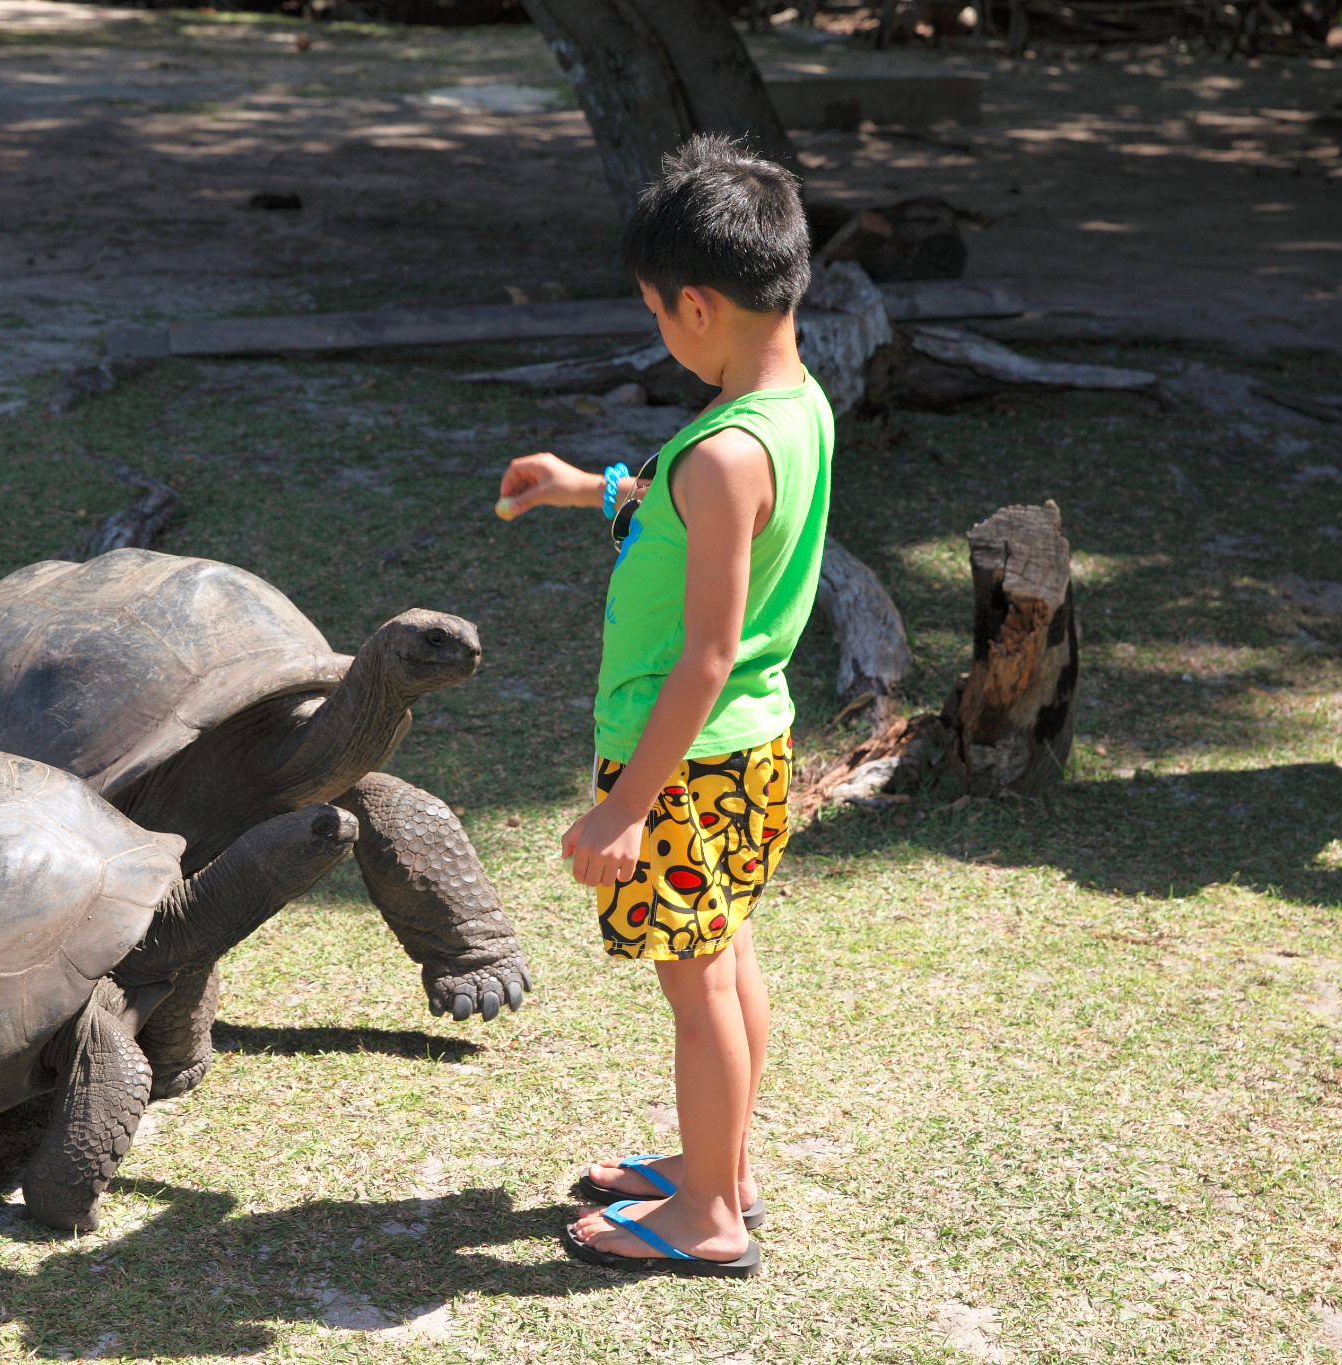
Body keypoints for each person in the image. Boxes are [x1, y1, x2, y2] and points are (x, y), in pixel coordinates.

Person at [495, 133, 833, 1278]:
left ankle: (708, 1219)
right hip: (748, 750)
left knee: (696, 992)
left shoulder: (724, 453)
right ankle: (717, 1169)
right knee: (725, 957)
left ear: (693, 305)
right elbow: (683, 517)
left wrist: (624, 810)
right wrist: (586, 489)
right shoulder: (786, 408)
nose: (655, 331)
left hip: (684, 761)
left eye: (652, 312)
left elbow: (702, 655)